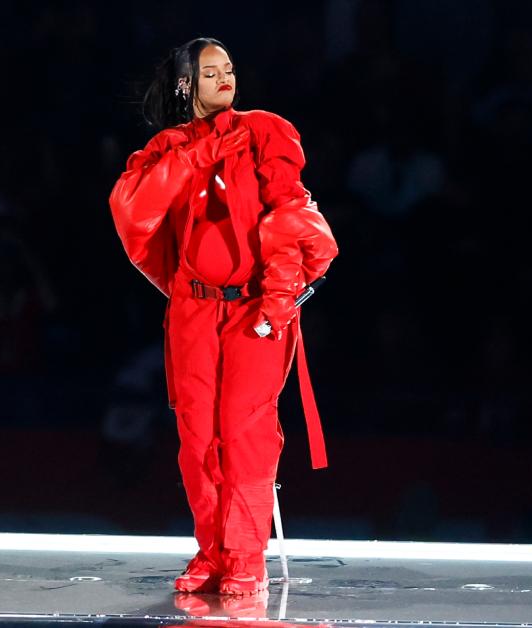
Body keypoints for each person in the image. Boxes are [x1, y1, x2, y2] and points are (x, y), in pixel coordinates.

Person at [109, 37, 338, 596]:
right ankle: (211, 550)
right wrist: (194, 155)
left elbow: (288, 210)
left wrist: (281, 294)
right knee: (197, 437)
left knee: (245, 431)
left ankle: (244, 556)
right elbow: (133, 212)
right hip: (193, 312)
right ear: (188, 84)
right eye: (211, 72)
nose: (225, 78)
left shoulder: (262, 131)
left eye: (230, 69)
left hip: (253, 309)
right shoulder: (167, 149)